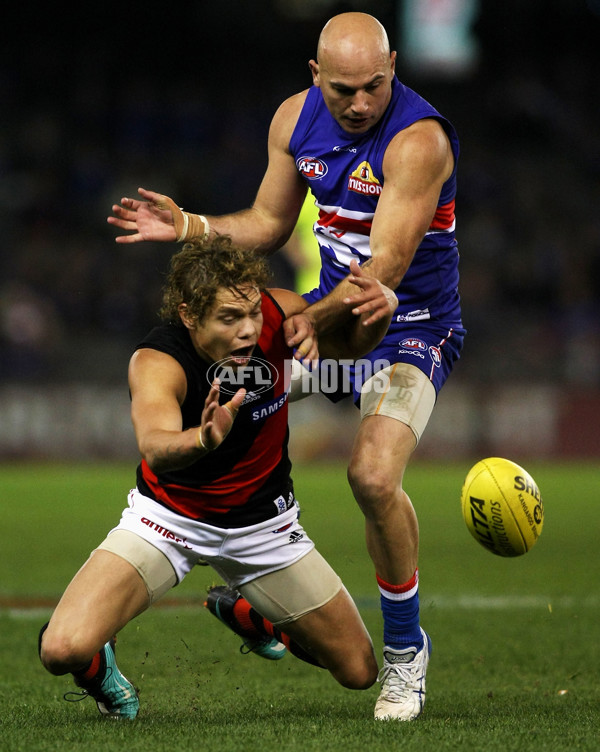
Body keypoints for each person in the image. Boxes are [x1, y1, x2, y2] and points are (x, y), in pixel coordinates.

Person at [107, 12, 465, 721]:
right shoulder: (294, 121)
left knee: (370, 474)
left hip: (408, 329)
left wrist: (304, 320)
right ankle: (212, 584)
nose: (360, 103)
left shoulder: (419, 140)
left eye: (373, 86)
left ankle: (404, 656)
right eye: (342, 91)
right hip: (322, 324)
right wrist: (189, 226)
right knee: (212, 402)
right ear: (314, 77)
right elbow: (269, 225)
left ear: (394, 66)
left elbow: (383, 272)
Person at [38, 235, 397, 720]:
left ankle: (250, 612)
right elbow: (156, 446)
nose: (249, 329)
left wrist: (380, 314)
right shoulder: (158, 361)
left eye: (251, 312)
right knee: (61, 650)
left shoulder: (278, 313)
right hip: (169, 522)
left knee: (359, 671)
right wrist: (202, 440)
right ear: (189, 315)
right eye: (229, 318)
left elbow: (347, 349)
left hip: (265, 528)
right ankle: (100, 665)